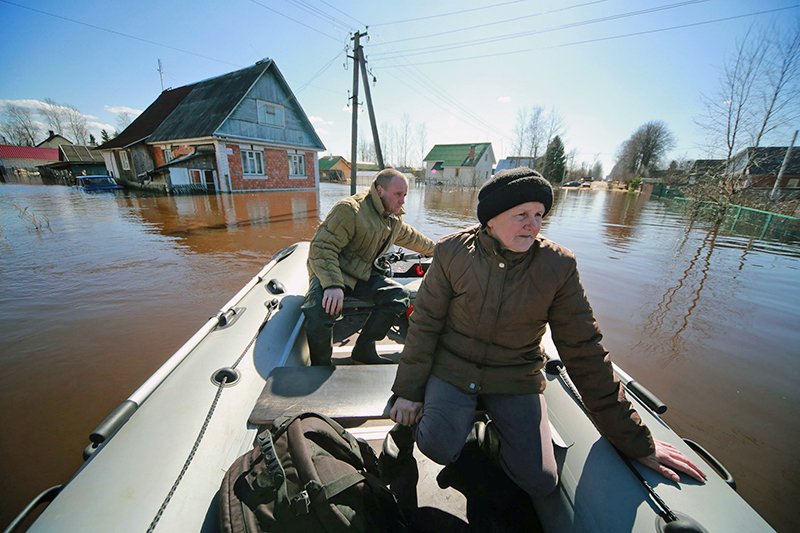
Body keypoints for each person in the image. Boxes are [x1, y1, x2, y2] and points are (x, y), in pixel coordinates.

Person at [390, 167, 706, 499]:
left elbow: (584, 350)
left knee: (541, 480)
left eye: (539, 215)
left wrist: (636, 441)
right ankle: (454, 429)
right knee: (437, 446)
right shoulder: (451, 252)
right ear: (491, 219)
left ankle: (489, 439)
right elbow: (425, 325)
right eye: (522, 215)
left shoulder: (558, 266)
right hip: (453, 367)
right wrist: (409, 391)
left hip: (515, 376)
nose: (533, 225)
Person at [303, 168, 436, 366]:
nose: (402, 201)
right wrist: (333, 285)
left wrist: (438, 250)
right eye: (398, 194)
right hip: (332, 271)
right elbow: (322, 248)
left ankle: (363, 349)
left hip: (361, 274)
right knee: (318, 310)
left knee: (397, 296)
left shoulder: (392, 217)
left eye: (405, 195)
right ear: (380, 190)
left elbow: (410, 237)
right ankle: (320, 365)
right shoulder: (350, 210)